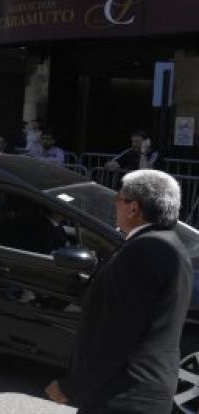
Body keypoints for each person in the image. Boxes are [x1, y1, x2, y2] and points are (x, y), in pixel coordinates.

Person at [46, 170, 192, 413]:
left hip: (122, 395)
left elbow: (117, 335)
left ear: (133, 208)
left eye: (118, 199)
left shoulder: (143, 251)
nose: (115, 204)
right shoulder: (173, 245)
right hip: (147, 390)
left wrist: (72, 386)